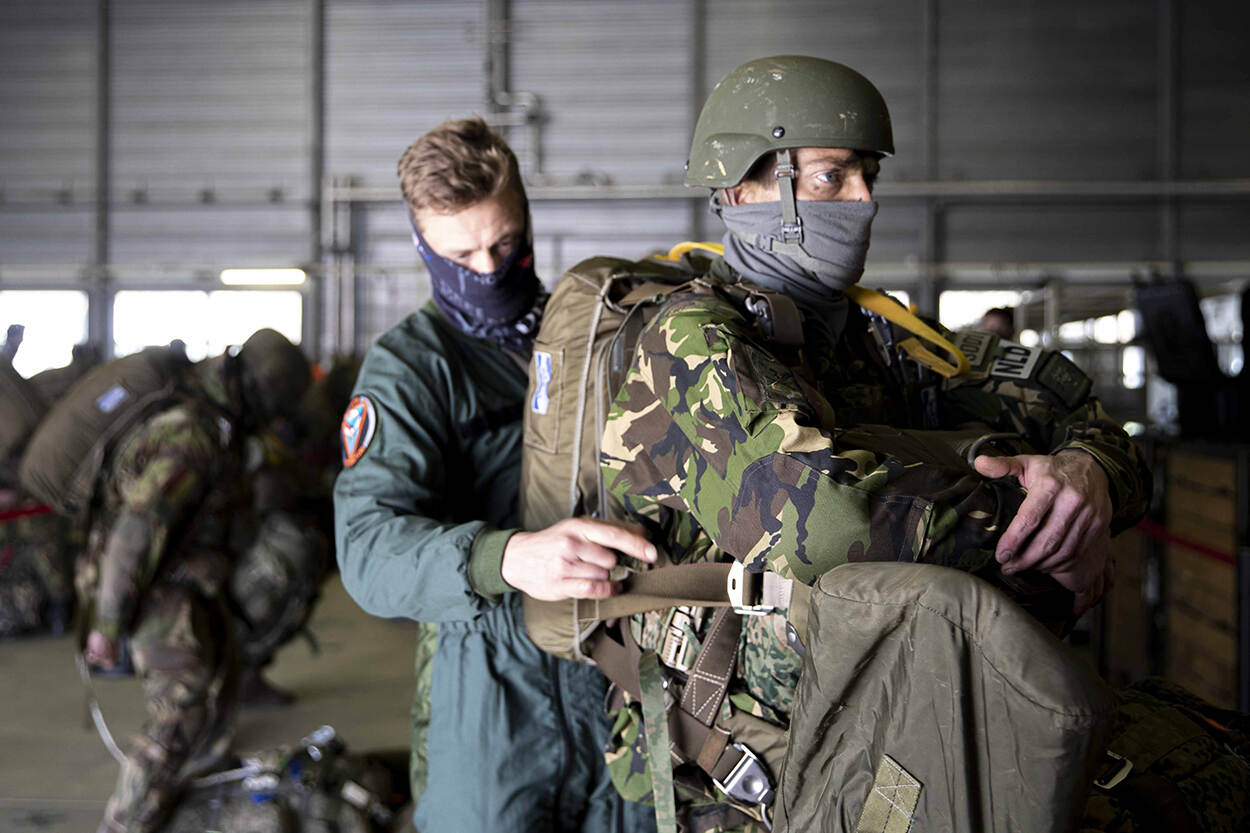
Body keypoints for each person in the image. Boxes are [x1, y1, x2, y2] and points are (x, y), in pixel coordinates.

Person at [597, 55, 1151, 828]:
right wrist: (1043, 527)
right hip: (728, 752)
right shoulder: (690, 340)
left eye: (868, 176)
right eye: (833, 177)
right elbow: (826, 524)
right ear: (743, 189)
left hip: (881, 719)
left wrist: (1088, 476)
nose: (864, 201)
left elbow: (1073, 405)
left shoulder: (879, 335)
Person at [333, 118, 657, 833]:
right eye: (461, 254)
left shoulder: (588, 335)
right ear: (422, 245)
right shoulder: (411, 368)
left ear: (527, 220)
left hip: (615, 664)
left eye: (505, 244)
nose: (487, 270)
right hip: (489, 689)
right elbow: (366, 549)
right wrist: (506, 557)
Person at [84, 329, 310, 833]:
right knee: (179, 717)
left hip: (193, 584)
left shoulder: (217, 423)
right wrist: (107, 623)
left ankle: (187, 812)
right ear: (258, 390)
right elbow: (137, 529)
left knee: (213, 706)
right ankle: (122, 825)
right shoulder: (190, 436)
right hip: (160, 592)